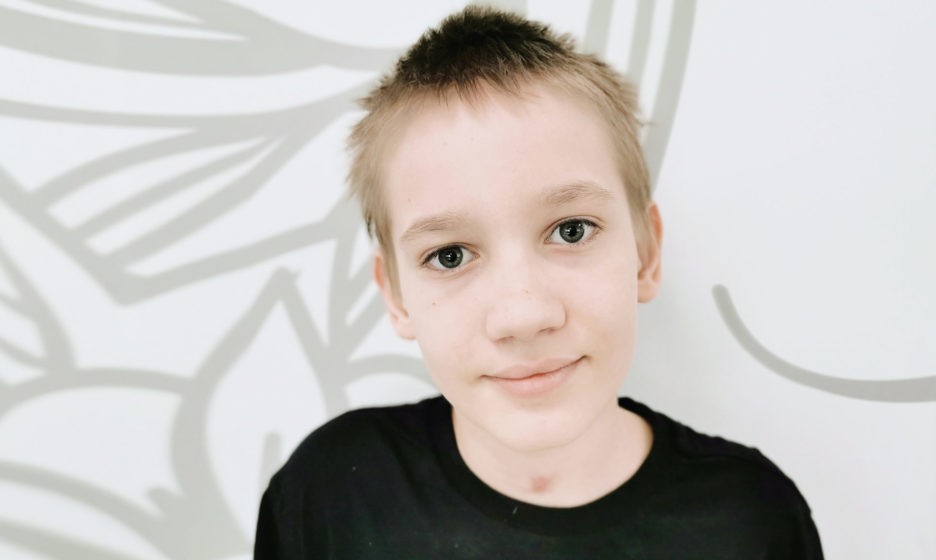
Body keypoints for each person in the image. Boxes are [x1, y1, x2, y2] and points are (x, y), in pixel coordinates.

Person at [254, 6, 823, 558]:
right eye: (450, 256)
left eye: (571, 231)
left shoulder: (750, 517)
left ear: (645, 254)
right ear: (397, 296)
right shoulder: (330, 493)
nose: (523, 316)